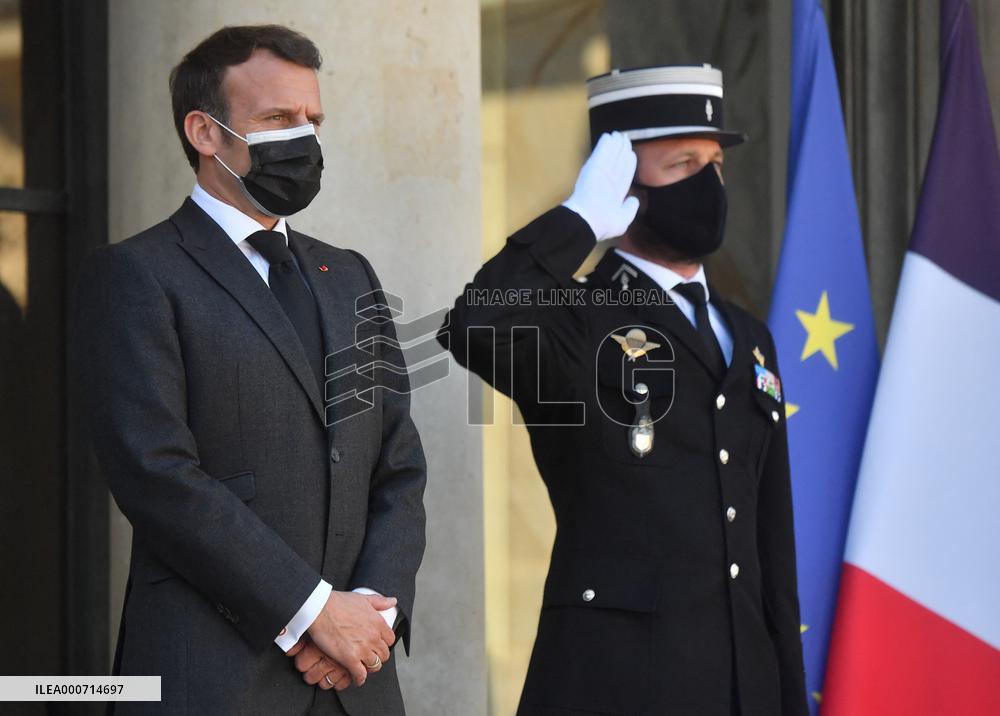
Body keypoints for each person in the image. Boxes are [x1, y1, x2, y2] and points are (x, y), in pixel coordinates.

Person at [72, 25, 426, 715]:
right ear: (205, 133)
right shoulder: (136, 275)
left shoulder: (349, 275)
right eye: (277, 119)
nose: (303, 139)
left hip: (357, 679)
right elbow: (157, 476)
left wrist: (373, 621)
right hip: (214, 679)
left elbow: (397, 464)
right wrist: (313, 611)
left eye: (312, 121)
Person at [438, 65, 808, 715]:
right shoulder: (576, 319)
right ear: (621, 181)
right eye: (683, 163)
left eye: (716, 164)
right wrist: (577, 220)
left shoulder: (747, 335)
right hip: (618, 684)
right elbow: (475, 324)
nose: (709, 183)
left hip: (741, 689)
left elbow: (771, 545)